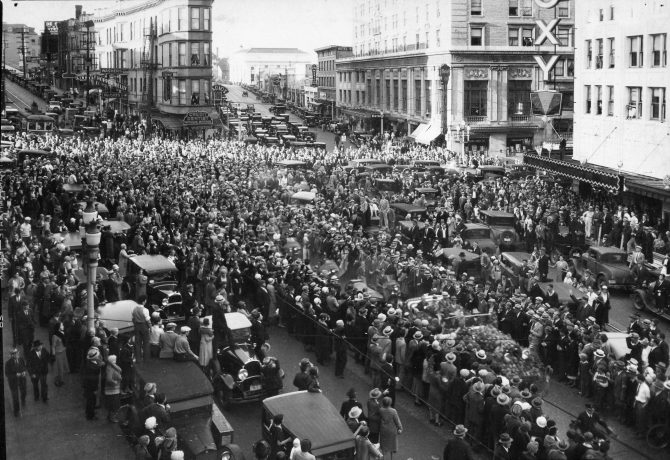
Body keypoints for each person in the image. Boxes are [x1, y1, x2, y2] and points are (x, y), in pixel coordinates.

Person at [83, 346, 105, 420]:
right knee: (91, 401)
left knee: (90, 401)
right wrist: (95, 389)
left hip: (89, 386)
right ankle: (90, 415)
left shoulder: (90, 363)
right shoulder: (93, 367)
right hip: (91, 387)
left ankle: (89, 412)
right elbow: (92, 380)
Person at [5, 348, 28, 417]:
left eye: (18, 353)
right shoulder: (8, 363)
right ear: (12, 355)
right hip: (13, 382)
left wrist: (24, 371)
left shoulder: (21, 359)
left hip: (22, 379)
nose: (17, 354)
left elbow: (24, 367)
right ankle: (16, 411)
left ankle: (23, 399)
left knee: (24, 391)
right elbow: (7, 374)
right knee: (15, 397)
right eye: (15, 354)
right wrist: (15, 375)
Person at [132, 296, 151, 361]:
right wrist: (150, 327)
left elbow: (133, 319)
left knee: (137, 343)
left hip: (137, 326)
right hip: (144, 326)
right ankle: (146, 358)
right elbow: (148, 320)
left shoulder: (134, 309)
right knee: (146, 342)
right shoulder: (145, 310)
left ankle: (138, 359)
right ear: (143, 301)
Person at [104, 355, 122, 422]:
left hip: (114, 390)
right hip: (112, 390)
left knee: (113, 404)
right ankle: (112, 418)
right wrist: (115, 382)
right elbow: (109, 379)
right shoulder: (110, 368)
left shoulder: (112, 366)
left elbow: (119, 370)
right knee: (113, 405)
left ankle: (110, 416)